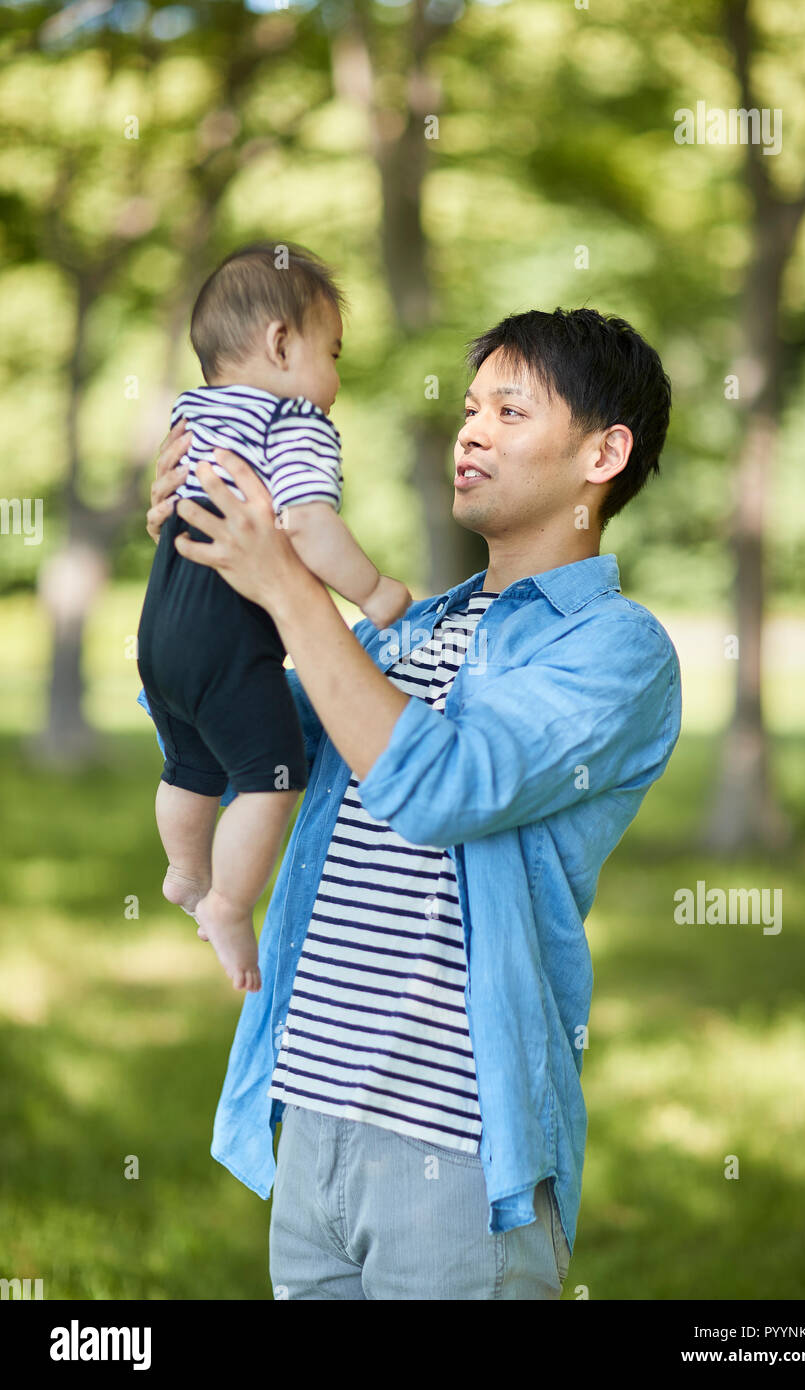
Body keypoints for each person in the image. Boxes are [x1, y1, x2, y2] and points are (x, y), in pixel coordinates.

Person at [138, 305, 682, 1299]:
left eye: (508, 411)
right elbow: (232, 730)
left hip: (457, 1151)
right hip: (312, 1121)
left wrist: (291, 586)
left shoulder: (614, 650)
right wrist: (195, 565)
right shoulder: (410, 630)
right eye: (470, 407)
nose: (468, 429)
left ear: (602, 454)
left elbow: (440, 785)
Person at [136, 241, 410, 993]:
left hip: (160, 630)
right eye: (334, 352)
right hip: (229, 639)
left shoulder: (192, 413)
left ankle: (185, 869)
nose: (336, 378)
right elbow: (309, 528)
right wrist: (376, 591)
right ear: (282, 345)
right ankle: (225, 901)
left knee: (190, 762)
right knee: (272, 777)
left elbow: (177, 514)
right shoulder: (293, 420)